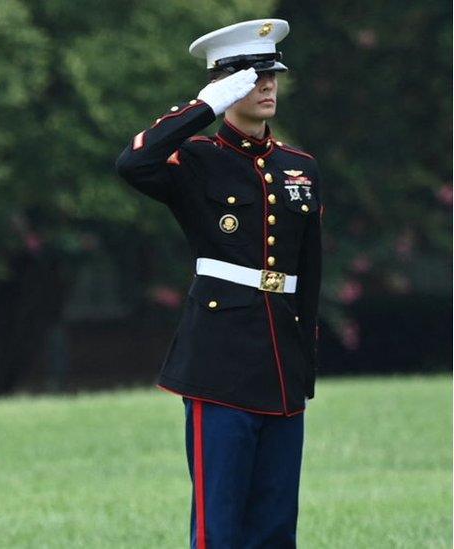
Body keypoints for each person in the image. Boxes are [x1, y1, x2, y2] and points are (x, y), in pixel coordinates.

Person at [115, 19, 322, 548]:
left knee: (276, 525)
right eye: (254, 77)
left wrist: (304, 364)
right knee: (219, 525)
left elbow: (309, 273)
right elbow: (134, 162)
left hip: (281, 365)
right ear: (226, 84)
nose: (269, 85)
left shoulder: (299, 167)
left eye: (272, 74)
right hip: (220, 361)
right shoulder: (199, 159)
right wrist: (203, 108)